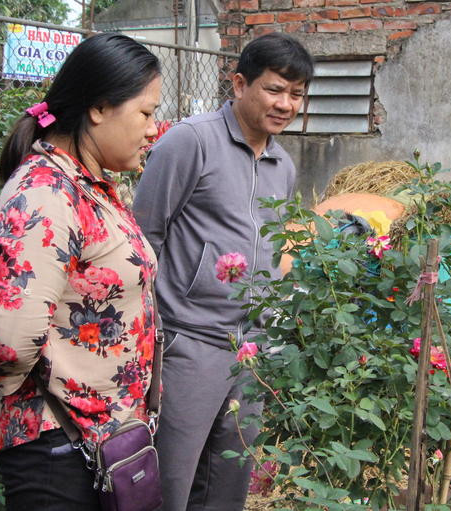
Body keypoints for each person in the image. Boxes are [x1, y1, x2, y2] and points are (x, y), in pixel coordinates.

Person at [0, 32, 162, 510]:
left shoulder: (88, 186)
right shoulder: (45, 193)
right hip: (58, 450)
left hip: (100, 439)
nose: (153, 129)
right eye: (145, 112)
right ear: (99, 108)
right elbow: (11, 342)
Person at [133, 32, 314, 511]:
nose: (286, 104)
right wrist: (150, 334)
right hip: (188, 342)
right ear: (239, 84)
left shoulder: (282, 164)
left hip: (250, 351)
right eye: (275, 89)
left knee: (228, 484)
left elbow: (272, 248)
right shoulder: (191, 141)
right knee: (171, 481)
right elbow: (144, 236)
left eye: (297, 94)